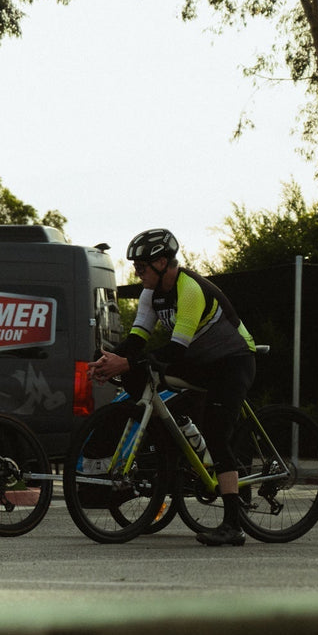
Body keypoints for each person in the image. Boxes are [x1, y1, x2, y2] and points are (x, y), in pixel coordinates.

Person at [88, 228, 257, 547]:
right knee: (140, 377)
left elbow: (175, 350)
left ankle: (233, 524)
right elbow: (138, 340)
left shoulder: (189, 289)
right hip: (201, 362)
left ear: (163, 263)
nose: (137, 273)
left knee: (217, 433)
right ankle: (170, 436)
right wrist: (106, 358)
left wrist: (126, 362)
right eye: (135, 267)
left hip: (233, 361)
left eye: (141, 267)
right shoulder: (151, 294)